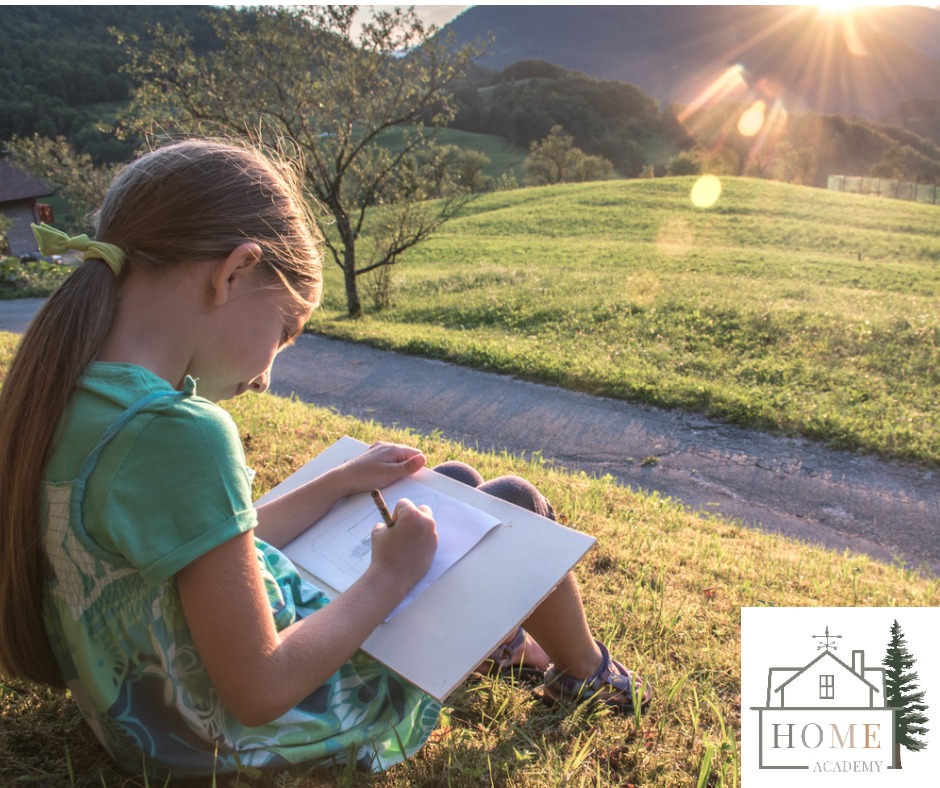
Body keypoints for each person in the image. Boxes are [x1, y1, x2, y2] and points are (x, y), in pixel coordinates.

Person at [0, 139, 650, 779]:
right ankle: (587, 675)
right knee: (510, 501)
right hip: (247, 737)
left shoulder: (66, 389)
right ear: (234, 272)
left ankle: (505, 644)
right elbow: (261, 687)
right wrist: (389, 578)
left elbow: (205, 550)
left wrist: (342, 480)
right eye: (284, 332)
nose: (266, 377)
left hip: (147, 723)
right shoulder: (181, 432)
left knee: (444, 486)